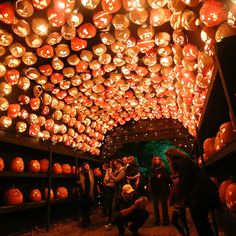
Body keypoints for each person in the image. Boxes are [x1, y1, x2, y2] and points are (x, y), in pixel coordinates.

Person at [165, 148, 220, 236]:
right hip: (203, 190)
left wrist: (179, 182)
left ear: (172, 156)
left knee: (199, 219)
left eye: (168, 158)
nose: (168, 160)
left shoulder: (180, 162)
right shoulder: (184, 161)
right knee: (201, 219)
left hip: (202, 192)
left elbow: (187, 178)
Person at [150, 156, 170, 226]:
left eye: (158, 159)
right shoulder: (152, 168)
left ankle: (166, 220)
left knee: (164, 204)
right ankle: (157, 220)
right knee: (155, 205)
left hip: (162, 188)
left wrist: (155, 176)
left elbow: (164, 177)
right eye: (155, 159)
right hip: (154, 189)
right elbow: (152, 176)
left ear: (160, 160)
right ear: (153, 161)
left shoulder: (163, 168)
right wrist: (156, 176)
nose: (157, 160)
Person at [79, 162, 95, 227]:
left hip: (90, 192)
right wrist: (79, 183)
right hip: (84, 192)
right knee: (84, 207)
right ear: (83, 166)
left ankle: (87, 220)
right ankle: (84, 221)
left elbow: (94, 182)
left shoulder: (91, 173)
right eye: (85, 165)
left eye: (88, 165)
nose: (87, 166)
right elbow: (78, 181)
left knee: (88, 207)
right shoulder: (81, 173)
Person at [102, 163, 115, 228]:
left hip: (109, 188)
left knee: (109, 204)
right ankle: (110, 219)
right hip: (112, 188)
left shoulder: (109, 170)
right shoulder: (114, 170)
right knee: (110, 204)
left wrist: (106, 180)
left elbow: (106, 179)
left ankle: (110, 220)